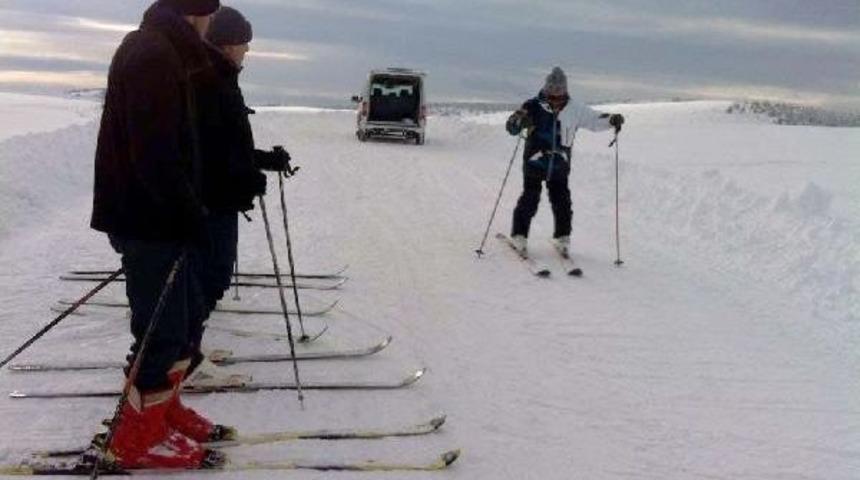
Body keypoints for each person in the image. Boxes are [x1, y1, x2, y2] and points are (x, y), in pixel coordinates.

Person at [90, 0, 229, 470]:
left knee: (184, 326)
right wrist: (186, 214)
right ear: (197, 12)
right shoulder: (152, 54)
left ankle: (161, 414)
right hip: (150, 221)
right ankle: (134, 438)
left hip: (161, 217)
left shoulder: (165, 48)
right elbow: (154, 154)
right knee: (162, 332)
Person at [186, 5, 294, 384]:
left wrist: (263, 161)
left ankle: (189, 350)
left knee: (210, 276)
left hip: (218, 197)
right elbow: (212, 151)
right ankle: (186, 360)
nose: (246, 52)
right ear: (228, 43)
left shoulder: (219, 75)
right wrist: (247, 177)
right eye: (244, 45)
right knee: (207, 277)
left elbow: (229, 143)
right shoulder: (209, 78)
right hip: (211, 199)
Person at [505, 67, 625, 257]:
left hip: (560, 165)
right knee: (530, 199)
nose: (556, 92)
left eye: (560, 88)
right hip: (535, 162)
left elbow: (594, 119)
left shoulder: (575, 108)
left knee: (562, 202)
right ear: (546, 86)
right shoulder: (532, 106)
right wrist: (519, 122)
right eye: (552, 87)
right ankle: (519, 235)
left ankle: (562, 237)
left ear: (565, 88)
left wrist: (611, 120)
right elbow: (511, 125)